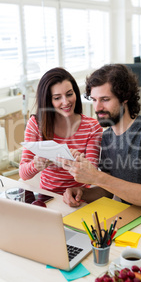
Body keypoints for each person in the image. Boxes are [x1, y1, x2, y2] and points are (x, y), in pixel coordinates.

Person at [60, 64, 141, 235]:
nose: (97, 107)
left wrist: (96, 176)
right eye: (94, 100)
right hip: (130, 228)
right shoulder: (107, 138)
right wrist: (82, 192)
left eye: (105, 99)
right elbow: (108, 190)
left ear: (125, 98)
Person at [19, 67, 103, 195]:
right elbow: (23, 174)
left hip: (79, 196)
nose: (66, 102)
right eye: (57, 98)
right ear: (48, 101)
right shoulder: (36, 124)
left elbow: (92, 176)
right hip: (48, 196)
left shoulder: (92, 127)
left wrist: (78, 163)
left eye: (69, 94)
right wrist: (36, 165)